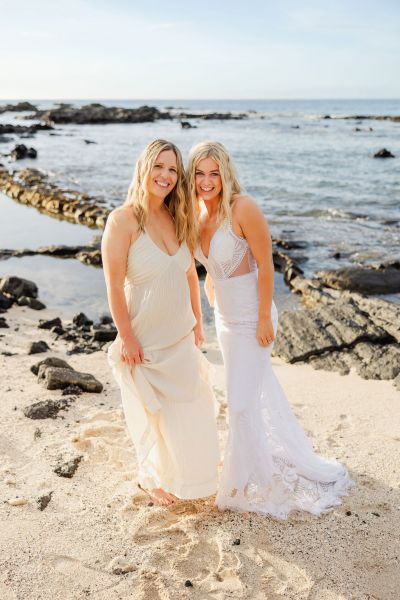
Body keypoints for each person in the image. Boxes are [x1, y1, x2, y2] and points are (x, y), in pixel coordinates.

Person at [188, 140, 354, 518]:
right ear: (191, 175)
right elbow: (205, 263)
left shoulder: (242, 208)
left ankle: (237, 485)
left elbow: (266, 264)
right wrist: (211, 284)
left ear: (225, 172)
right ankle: (245, 467)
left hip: (255, 317)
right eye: (199, 172)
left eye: (214, 172)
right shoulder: (194, 213)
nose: (207, 180)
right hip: (226, 321)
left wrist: (264, 317)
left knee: (243, 405)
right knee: (241, 398)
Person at [102, 139, 219, 507]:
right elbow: (114, 286)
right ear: (144, 168)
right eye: (159, 166)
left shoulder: (177, 217)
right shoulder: (123, 220)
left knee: (192, 409)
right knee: (152, 413)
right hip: (145, 337)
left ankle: (187, 477)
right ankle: (149, 478)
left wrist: (198, 321)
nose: (166, 176)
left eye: (172, 169)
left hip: (180, 334)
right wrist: (126, 336)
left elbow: (188, 274)